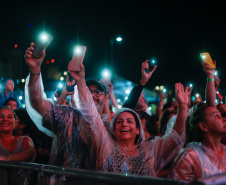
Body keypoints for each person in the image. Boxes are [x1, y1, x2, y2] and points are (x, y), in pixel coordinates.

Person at [69, 61, 188, 176]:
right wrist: (80, 82)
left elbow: (175, 138)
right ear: (113, 129)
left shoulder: (150, 151)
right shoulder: (105, 146)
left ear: (138, 129)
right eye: (119, 121)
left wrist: (183, 107)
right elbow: (92, 117)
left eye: (129, 121)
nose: (124, 124)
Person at [24, 43, 109, 169]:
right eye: (88, 91)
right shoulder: (67, 116)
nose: (93, 96)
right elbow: (38, 104)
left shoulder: (112, 126)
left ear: (105, 97)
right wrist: (35, 70)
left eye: (98, 92)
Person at [169, 61, 226, 182]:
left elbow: (211, 108)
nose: (224, 118)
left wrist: (210, 77)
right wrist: (183, 106)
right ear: (204, 126)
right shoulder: (189, 156)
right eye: (218, 116)